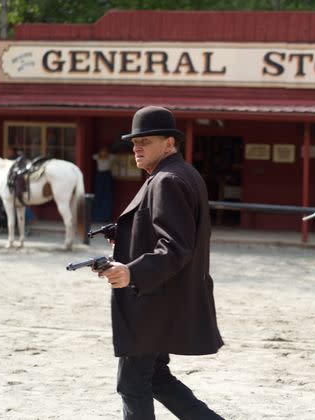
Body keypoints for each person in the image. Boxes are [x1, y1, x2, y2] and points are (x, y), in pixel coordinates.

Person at [95, 106, 224, 419]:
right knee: (156, 378)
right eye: (134, 142)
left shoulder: (167, 180)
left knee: (132, 385)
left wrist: (130, 271)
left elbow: (176, 248)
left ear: (170, 143)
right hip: (163, 299)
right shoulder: (180, 174)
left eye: (146, 141)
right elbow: (168, 234)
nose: (137, 147)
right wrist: (126, 235)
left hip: (151, 302)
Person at [92, 146, 114, 222]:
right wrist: (101, 155)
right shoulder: (97, 157)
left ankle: (106, 217)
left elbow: (113, 156)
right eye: (102, 151)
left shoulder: (110, 157)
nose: (103, 153)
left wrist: (106, 155)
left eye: (105, 151)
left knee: (107, 195)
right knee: (99, 195)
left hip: (107, 176)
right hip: (100, 176)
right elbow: (93, 156)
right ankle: (97, 217)